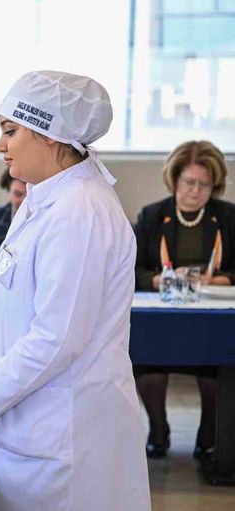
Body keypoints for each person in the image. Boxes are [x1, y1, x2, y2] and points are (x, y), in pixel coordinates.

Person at [0, 71, 150, 511]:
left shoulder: (79, 212)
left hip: (62, 436)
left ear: (50, 136)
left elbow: (55, 339)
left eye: (10, 132)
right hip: (26, 426)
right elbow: (6, 313)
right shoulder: (44, 199)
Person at [133, 140, 234, 459]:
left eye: (205, 185)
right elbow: (131, 269)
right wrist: (157, 279)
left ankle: (208, 437)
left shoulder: (228, 217)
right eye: (190, 182)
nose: (196, 191)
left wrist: (218, 280)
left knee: (218, 364)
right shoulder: (152, 216)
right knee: (146, 363)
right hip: (163, 319)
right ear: (175, 178)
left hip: (212, 320)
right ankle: (158, 430)